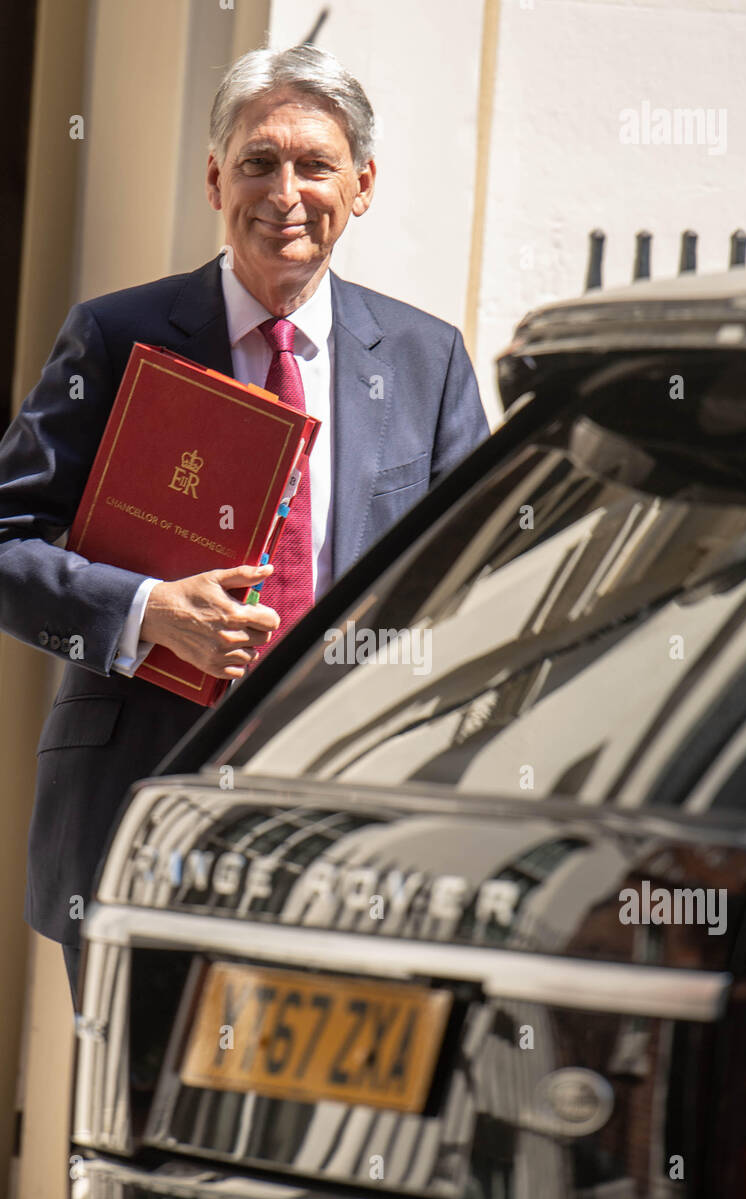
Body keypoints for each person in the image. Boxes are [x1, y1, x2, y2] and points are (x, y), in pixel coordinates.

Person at [0, 45, 489, 1007]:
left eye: (315, 165)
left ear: (363, 186)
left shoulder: (427, 362)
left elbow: (475, 586)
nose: (286, 192)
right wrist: (142, 611)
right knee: (139, 1133)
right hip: (143, 813)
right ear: (216, 177)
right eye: (258, 162)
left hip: (351, 828)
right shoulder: (117, 335)